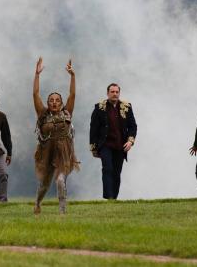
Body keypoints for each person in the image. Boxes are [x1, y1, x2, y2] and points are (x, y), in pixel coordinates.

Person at [32, 57, 80, 214]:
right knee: (45, 183)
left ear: (61, 103)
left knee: (60, 180)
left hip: (64, 150)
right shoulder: (43, 113)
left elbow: (72, 94)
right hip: (47, 151)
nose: (54, 102)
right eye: (51, 100)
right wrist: (37, 74)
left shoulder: (67, 112)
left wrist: (72, 76)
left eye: (57, 100)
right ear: (48, 102)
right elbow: (35, 93)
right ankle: (38, 203)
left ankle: (62, 212)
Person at [89, 83, 137, 199]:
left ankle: (113, 199)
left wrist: (130, 141)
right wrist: (93, 148)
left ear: (119, 93)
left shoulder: (126, 107)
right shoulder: (99, 107)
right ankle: (109, 197)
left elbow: (133, 126)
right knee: (107, 169)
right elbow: (93, 128)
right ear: (107, 93)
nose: (115, 94)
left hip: (121, 145)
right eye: (112, 92)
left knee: (116, 172)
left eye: (117, 92)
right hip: (105, 145)